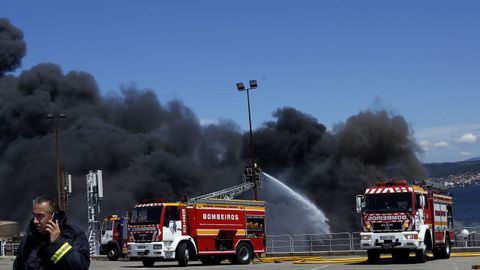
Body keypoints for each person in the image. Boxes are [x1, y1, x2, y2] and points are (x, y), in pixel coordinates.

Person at [13, 195, 90, 270]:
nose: (35, 221)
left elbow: (81, 266)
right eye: (34, 215)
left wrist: (57, 243)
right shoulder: (28, 239)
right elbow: (17, 266)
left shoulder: (73, 235)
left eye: (40, 216)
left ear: (54, 216)